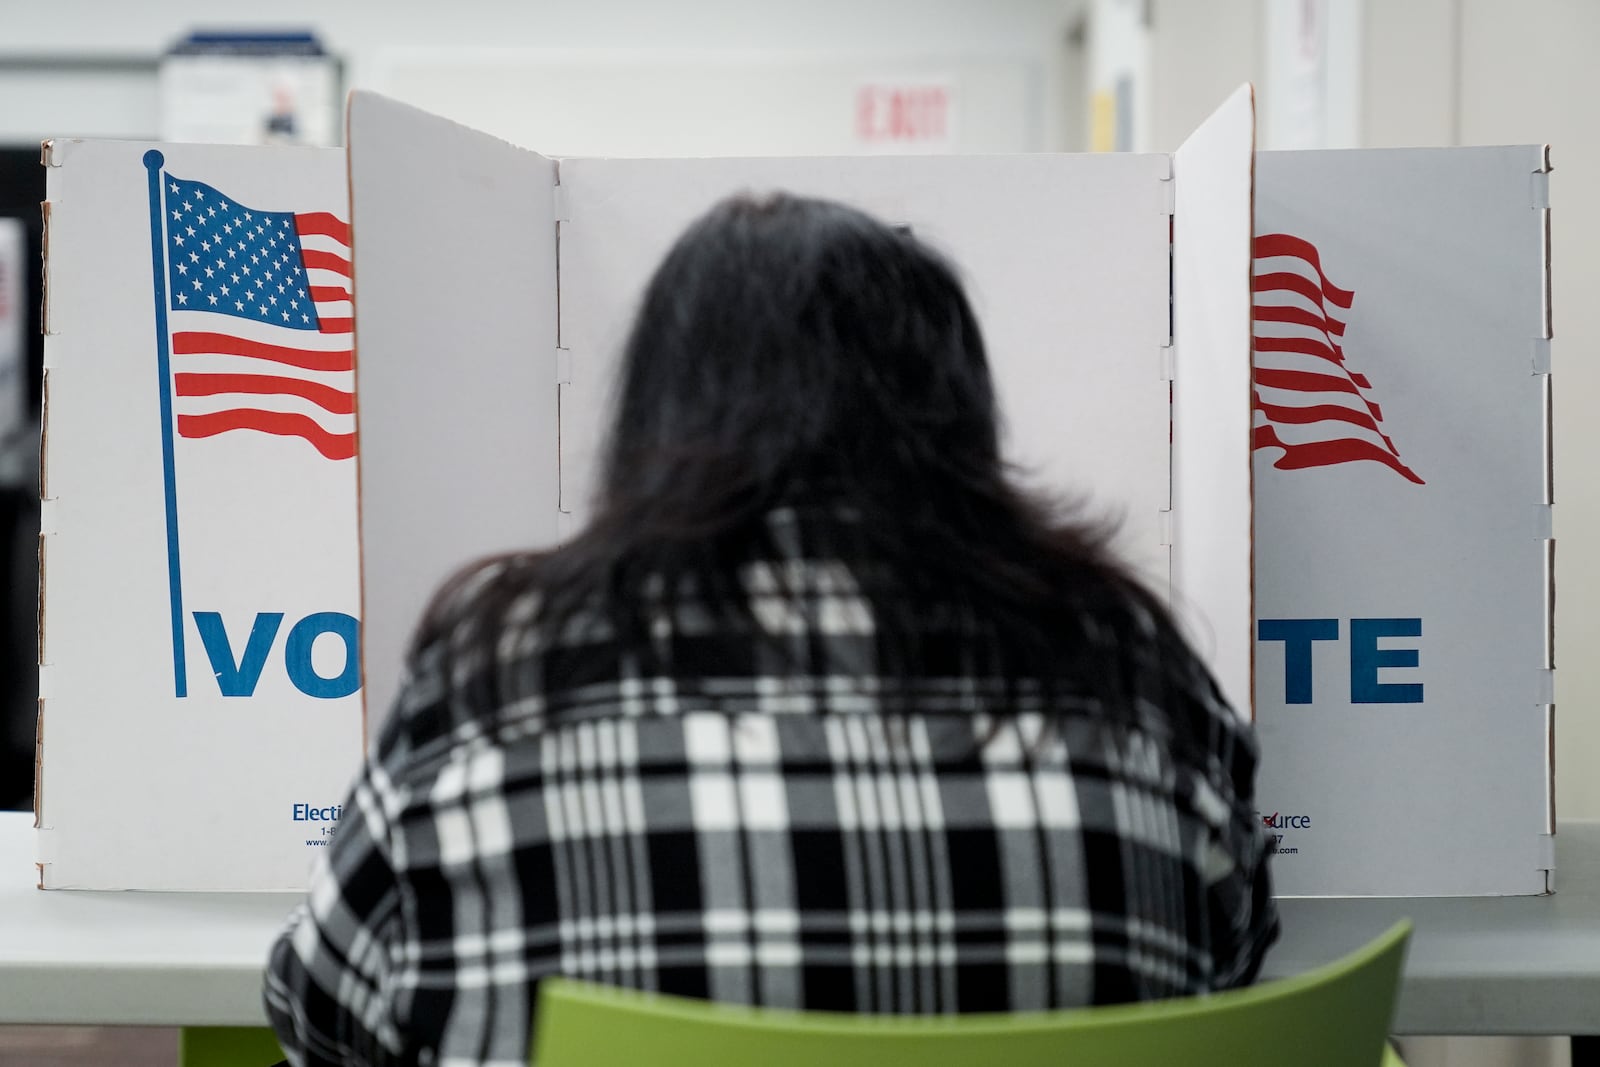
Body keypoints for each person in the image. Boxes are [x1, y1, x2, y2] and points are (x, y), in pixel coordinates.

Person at [264, 193, 1277, 1067]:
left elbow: (324, 1013)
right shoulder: (1130, 668)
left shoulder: (500, 675)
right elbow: (1227, 970)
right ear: (959, 411)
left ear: (653, 415)